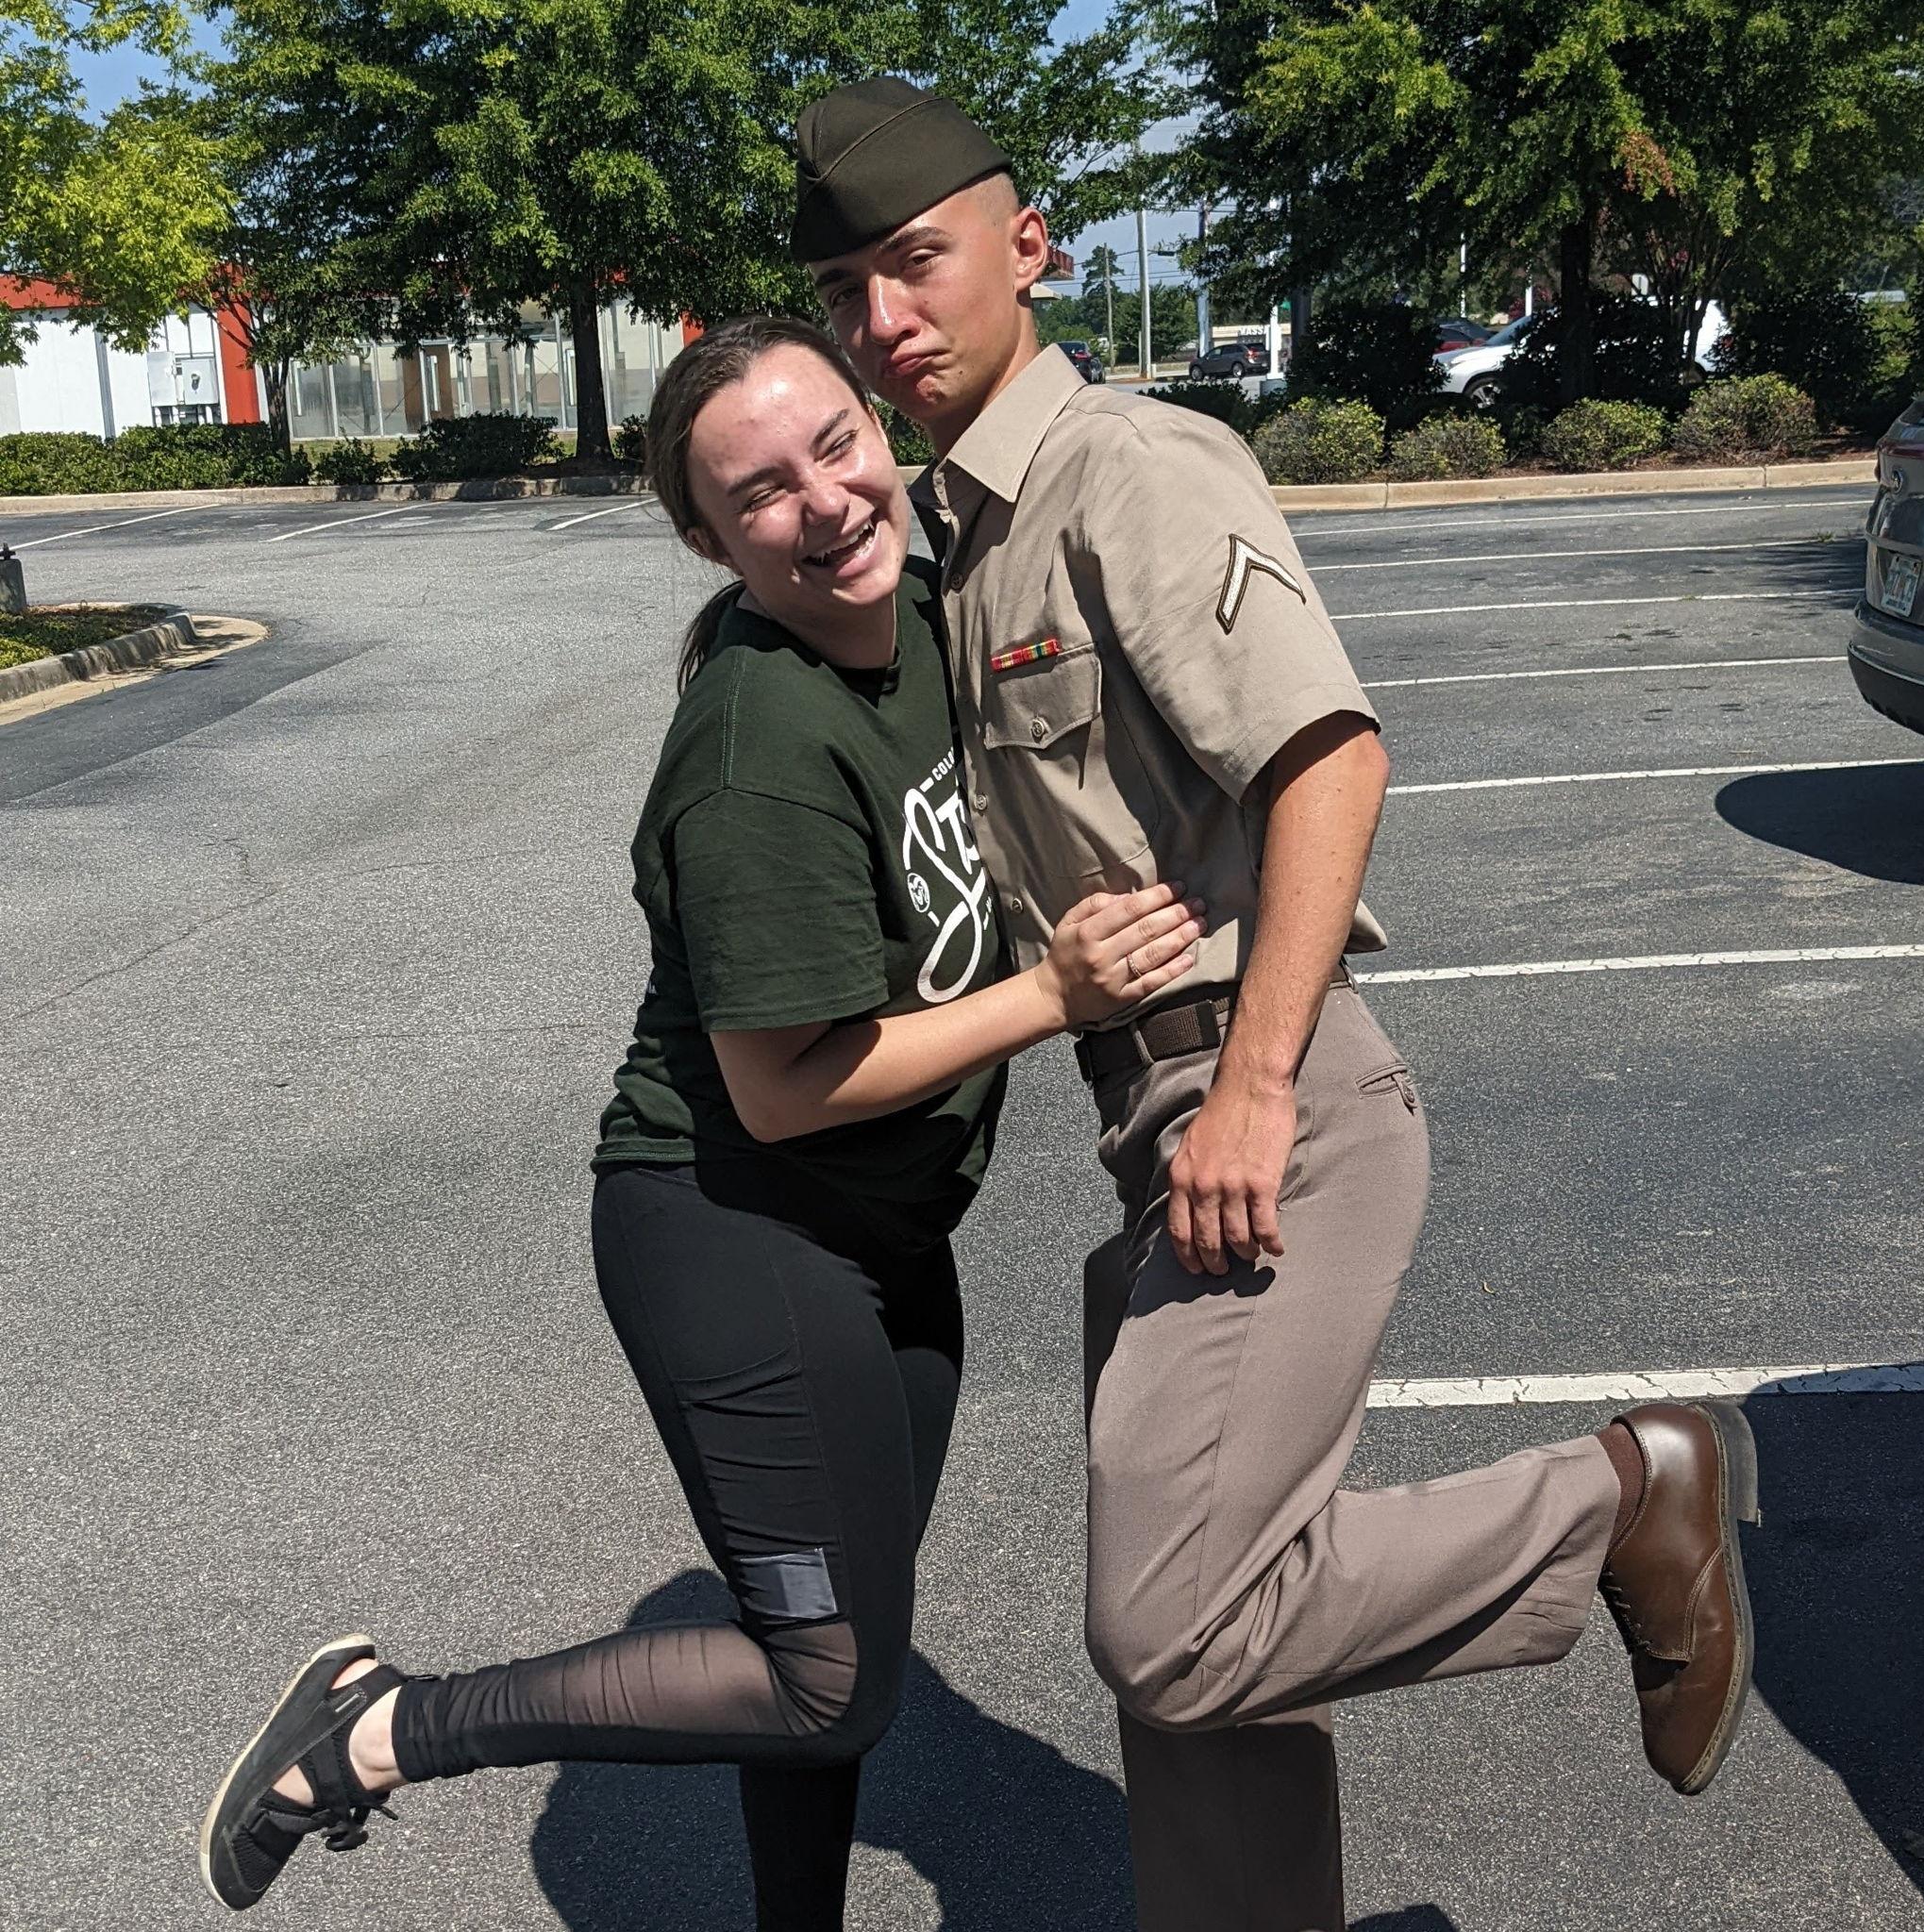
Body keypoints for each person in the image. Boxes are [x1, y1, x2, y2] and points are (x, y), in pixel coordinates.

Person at [795, 79, 1762, 1931]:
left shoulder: (1125, 473)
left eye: (912, 264)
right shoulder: (969, 525)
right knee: (1215, 1685)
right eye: (846, 290)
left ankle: (1627, 1495)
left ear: (1027, 248)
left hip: (1270, 1107)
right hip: (1160, 1128)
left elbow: (1328, 756)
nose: (882, 319)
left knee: (1171, 1623)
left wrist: (1247, 1090)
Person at [198, 315, 1207, 1927]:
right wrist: (1058, 996)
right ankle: (377, 1728)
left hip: (885, 1235)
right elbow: (778, 1086)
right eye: (760, 493)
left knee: (831, 1652)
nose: (823, 500)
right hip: (733, 1225)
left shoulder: (934, 605)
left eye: (837, 445)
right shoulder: (756, 751)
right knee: (824, 1681)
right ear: (707, 538)